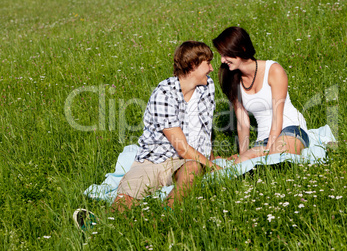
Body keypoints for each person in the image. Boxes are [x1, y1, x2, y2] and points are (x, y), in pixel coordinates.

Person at [74, 41, 219, 228]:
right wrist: (215, 167)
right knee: (127, 195)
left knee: (192, 169)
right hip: (153, 159)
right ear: (192, 66)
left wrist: (211, 158)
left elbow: (205, 130)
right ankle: (100, 225)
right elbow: (182, 147)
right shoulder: (164, 94)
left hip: (185, 162)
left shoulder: (207, 87)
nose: (212, 68)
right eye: (207, 63)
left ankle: (166, 217)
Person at [212, 27, 309, 164]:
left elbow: (277, 113)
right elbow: (243, 123)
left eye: (226, 54)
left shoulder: (273, 70)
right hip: (263, 139)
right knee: (240, 164)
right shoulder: (233, 80)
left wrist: (270, 148)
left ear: (242, 48)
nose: (222, 60)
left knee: (278, 157)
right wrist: (243, 155)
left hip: (290, 128)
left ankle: (268, 153)